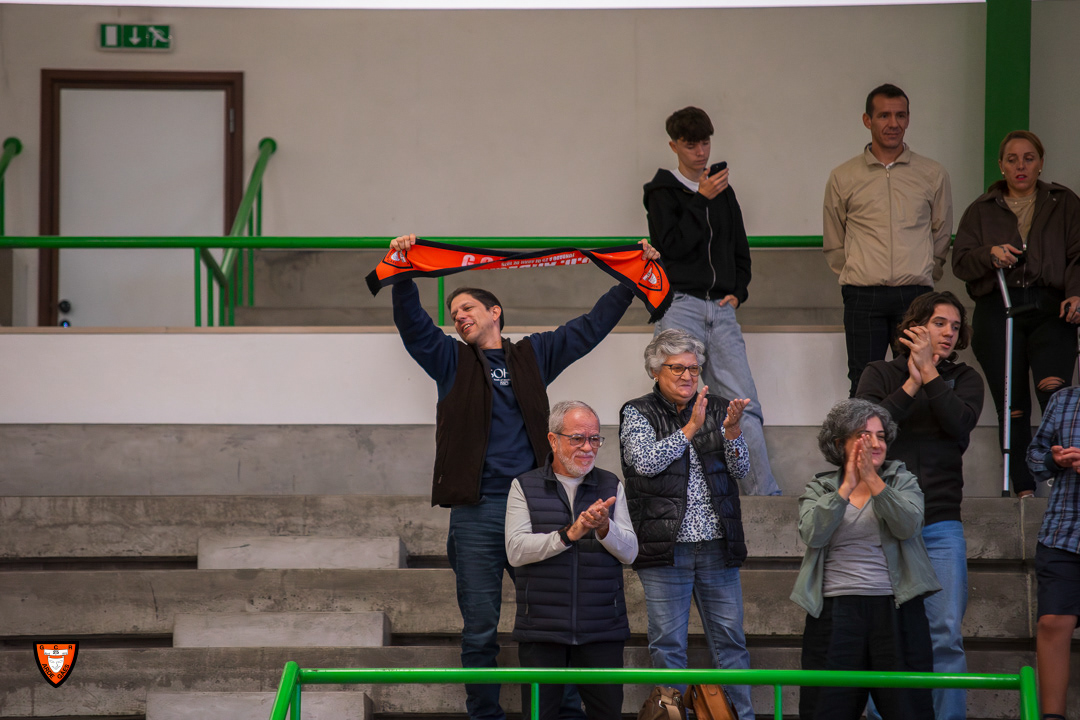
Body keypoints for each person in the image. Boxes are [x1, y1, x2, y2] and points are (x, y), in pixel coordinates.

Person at [389, 233, 656, 720]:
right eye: (453, 313)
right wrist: (404, 273)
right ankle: (485, 715)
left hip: (537, 506)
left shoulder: (533, 355)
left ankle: (565, 710)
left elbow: (588, 328)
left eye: (468, 307)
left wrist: (631, 281)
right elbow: (413, 326)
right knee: (479, 630)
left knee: (554, 623)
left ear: (496, 312)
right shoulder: (449, 360)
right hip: (475, 513)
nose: (458, 316)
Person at [856, 291, 983, 720]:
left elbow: (960, 425)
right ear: (915, 328)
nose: (948, 332)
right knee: (881, 634)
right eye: (939, 323)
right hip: (882, 519)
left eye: (955, 326)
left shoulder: (965, 378)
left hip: (941, 522)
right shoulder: (879, 372)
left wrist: (929, 373)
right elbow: (869, 432)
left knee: (944, 633)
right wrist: (911, 382)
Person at [643, 105, 780, 497]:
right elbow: (671, 247)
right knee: (675, 399)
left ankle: (765, 497)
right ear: (674, 146)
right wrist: (700, 199)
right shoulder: (660, 192)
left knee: (743, 404)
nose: (700, 152)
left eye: (705, 142)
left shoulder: (723, 190)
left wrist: (740, 290)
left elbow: (738, 245)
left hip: (720, 308)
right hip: (680, 304)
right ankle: (673, 495)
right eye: (691, 144)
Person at [619, 328, 755, 720]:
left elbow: (741, 471)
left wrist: (732, 433)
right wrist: (690, 428)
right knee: (668, 645)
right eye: (676, 367)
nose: (687, 376)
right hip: (666, 548)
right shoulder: (637, 412)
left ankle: (741, 717)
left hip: (717, 545)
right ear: (655, 370)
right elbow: (644, 463)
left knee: (731, 643)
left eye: (693, 368)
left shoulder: (719, 408)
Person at [791, 398, 939, 720]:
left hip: (897, 609)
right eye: (863, 435)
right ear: (839, 444)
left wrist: (873, 480)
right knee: (825, 710)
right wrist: (845, 487)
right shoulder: (820, 487)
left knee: (909, 709)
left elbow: (909, 526)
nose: (875, 443)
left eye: (881, 436)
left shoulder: (901, 480)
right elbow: (813, 534)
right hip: (834, 613)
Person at [952, 130, 1080, 497]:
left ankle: (1063, 484)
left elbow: (1078, 254)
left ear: (1041, 163)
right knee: (1012, 405)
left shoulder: (1064, 202)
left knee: (1055, 397)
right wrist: (989, 254)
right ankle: (1022, 489)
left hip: (1051, 309)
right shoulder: (981, 208)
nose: (1020, 166)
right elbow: (961, 261)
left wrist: (1076, 293)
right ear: (1001, 166)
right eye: (1012, 159)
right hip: (999, 308)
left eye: (1028, 158)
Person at [505, 401, 638, 720]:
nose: (588, 447)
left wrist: (605, 528)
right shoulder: (524, 485)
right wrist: (570, 534)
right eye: (577, 438)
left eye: (594, 439)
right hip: (542, 629)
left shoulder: (610, 484)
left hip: (602, 628)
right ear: (553, 440)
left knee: (607, 715)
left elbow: (630, 551)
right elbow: (516, 550)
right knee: (539, 715)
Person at [823, 83, 954, 397]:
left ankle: (905, 434)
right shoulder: (843, 176)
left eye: (900, 115)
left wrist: (927, 271)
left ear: (908, 119)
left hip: (915, 295)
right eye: (884, 116)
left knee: (917, 377)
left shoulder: (932, 173)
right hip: (862, 296)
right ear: (867, 120)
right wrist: (856, 271)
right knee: (862, 380)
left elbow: (941, 232)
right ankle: (863, 433)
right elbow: (834, 238)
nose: (893, 123)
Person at [1027, 386, 1080, 720]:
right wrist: (1054, 459)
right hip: (1064, 532)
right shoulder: (1064, 400)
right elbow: (1034, 456)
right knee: (1052, 623)